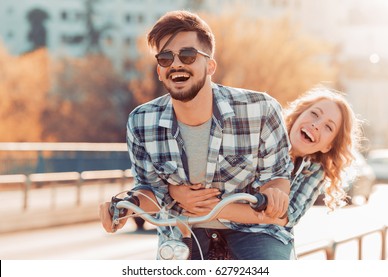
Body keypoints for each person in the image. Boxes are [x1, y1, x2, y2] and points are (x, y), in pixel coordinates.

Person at [99, 10, 293, 260]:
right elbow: (149, 189)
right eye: (165, 58)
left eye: (188, 55)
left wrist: (275, 193)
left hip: (255, 231)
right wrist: (124, 209)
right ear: (159, 71)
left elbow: (277, 177)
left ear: (210, 65)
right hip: (184, 231)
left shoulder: (261, 108)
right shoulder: (141, 121)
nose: (177, 64)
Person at [170, 86, 362, 259]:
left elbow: (285, 216)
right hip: (207, 221)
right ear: (298, 115)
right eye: (314, 114)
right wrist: (179, 193)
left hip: (263, 231)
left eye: (328, 127)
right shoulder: (260, 132)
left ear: (329, 146)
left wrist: (216, 210)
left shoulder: (315, 170)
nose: (316, 124)